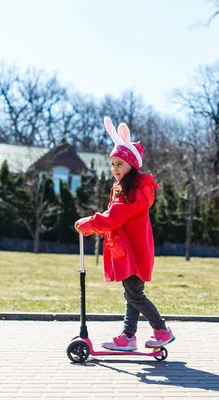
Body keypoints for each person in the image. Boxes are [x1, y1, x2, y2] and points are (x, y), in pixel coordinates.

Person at [74, 117, 175, 352]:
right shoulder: (129, 189)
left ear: (131, 165)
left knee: (135, 295)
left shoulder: (134, 192)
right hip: (130, 249)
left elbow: (113, 217)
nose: (115, 169)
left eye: (120, 164)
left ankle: (161, 330)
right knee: (132, 293)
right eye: (112, 164)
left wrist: (88, 223)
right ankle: (128, 336)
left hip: (134, 251)